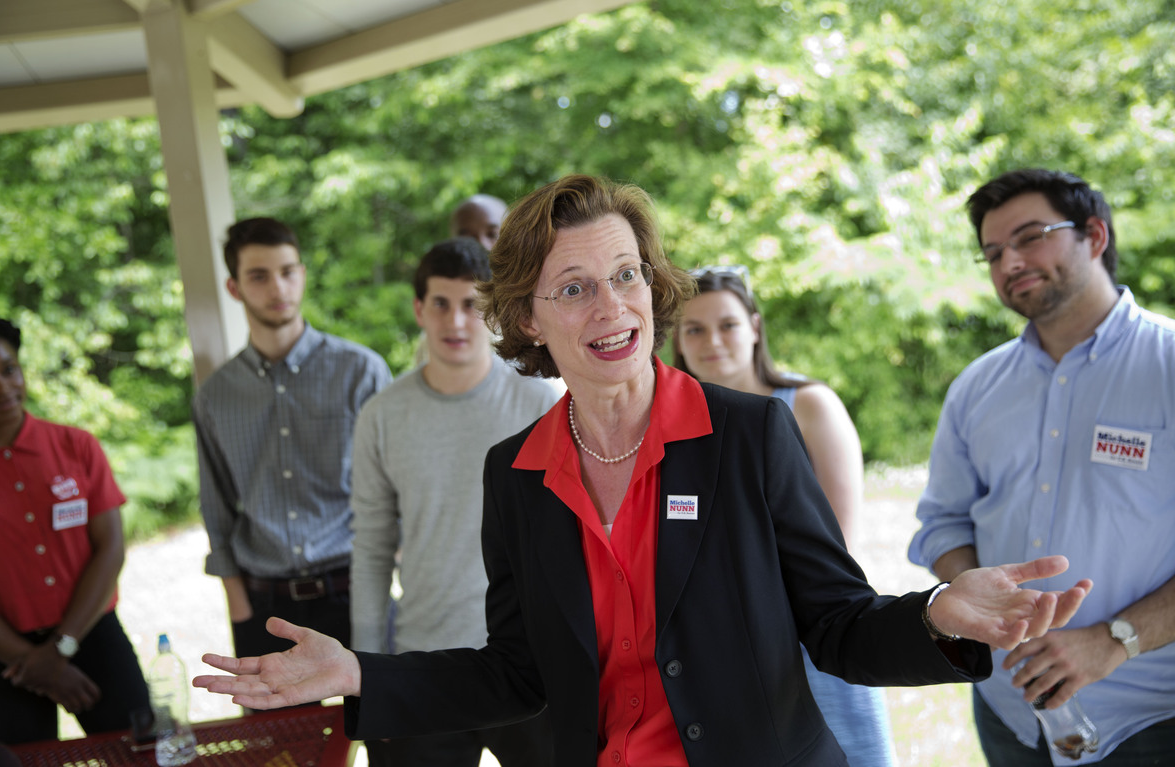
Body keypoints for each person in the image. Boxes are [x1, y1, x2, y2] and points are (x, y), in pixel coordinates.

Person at [195, 175, 1092, 767]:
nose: (613, 306)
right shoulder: (516, 472)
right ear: (529, 319)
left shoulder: (749, 434)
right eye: (574, 286)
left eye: (626, 274)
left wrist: (937, 613)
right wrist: (364, 672)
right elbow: (517, 671)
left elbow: (836, 624)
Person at [908, 168, 1175, 765]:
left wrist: (1114, 641)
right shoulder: (977, 386)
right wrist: (977, 597)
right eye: (993, 253)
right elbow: (944, 523)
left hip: (1151, 716)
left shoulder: (1167, 365)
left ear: (1095, 236)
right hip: (1010, 711)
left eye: (1030, 237)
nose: (1010, 262)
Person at [672, 265, 897, 766]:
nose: (713, 341)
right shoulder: (671, 431)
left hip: (813, 637)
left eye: (728, 325)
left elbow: (837, 545)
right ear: (678, 342)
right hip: (717, 651)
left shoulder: (810, 405)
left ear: (755, 327)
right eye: (695, 329)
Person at [349, 237, 559, 766]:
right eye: (440, 304)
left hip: (530, 660)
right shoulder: (382, 414)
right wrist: (368, 673)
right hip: (425, 658)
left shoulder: (542, 401)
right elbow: (372, 549)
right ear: (419, 309)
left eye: (470, 304)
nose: (456, 321)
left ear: (492, 311)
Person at [192, 217, 392, 662]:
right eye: (258, 276)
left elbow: (397, 484)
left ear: (301, 274)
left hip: (356, 591)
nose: (277, 288)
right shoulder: (215, 395)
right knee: (274, 714)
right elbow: (215, 504)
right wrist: (238, 606)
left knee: (385, 711)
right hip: (263, 605)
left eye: (287, 272)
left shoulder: (361, 372)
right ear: (234, 288)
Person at [0, 312, 150, 744]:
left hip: (91, 631)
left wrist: (60, 649)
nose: (1, 387)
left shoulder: (76, 446)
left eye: (8, 370)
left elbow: (111, 549)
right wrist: (33, 661)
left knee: (140, 751)